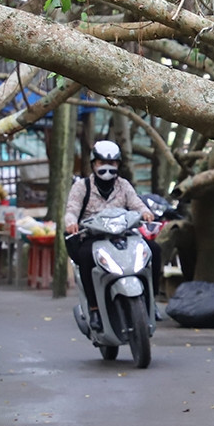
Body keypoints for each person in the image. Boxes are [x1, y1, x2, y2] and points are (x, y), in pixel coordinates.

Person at [64, 140, 156, 331]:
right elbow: (72, 210)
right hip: (93, 238)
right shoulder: (82, 187)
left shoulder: (124, 185)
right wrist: (71, 222)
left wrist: (145, 212)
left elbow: (136, 204)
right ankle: (94, 309)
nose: (107, 167)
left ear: (118, 165)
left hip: (123, 236)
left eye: (112, 163)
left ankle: (151, 303)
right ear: (93, 164)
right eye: (101, 163)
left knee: (154, 250)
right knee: (86, 258)